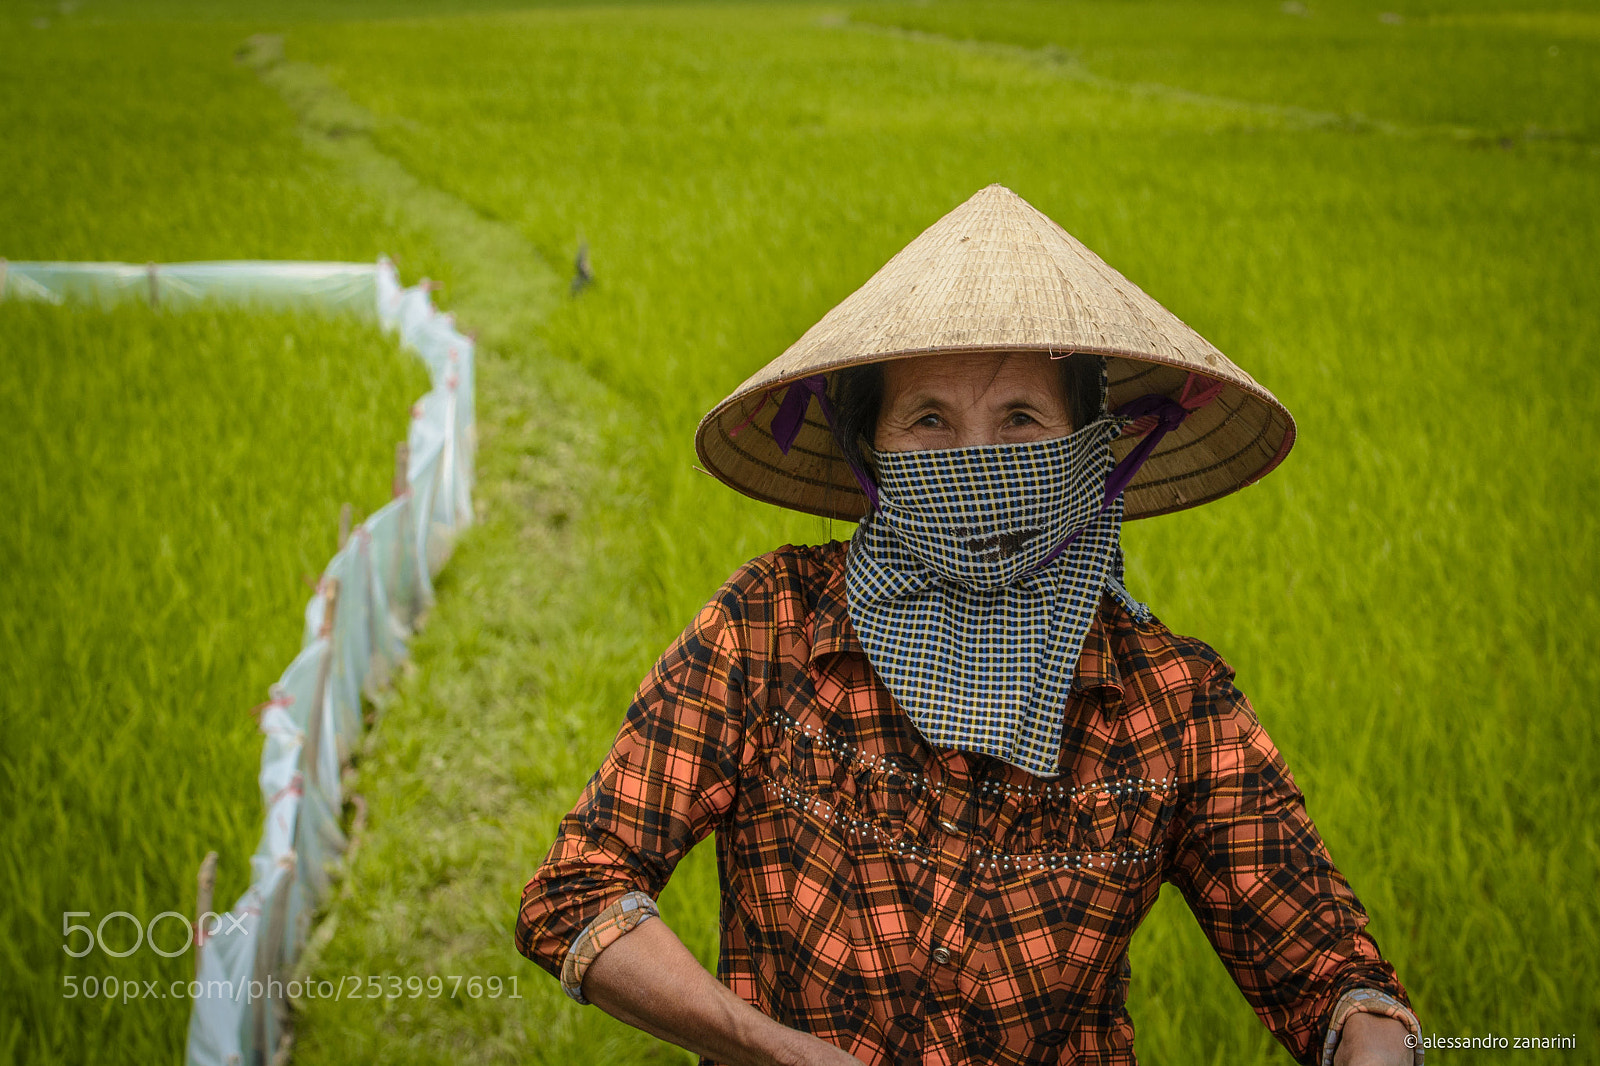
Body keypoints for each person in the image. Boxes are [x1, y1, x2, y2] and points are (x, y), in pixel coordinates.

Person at [515, 185, 1422, 1066]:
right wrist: (773, 1052)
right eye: (929, 421)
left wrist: (1368, 1037)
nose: (977, 463)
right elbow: (578, 894)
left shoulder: (1171, 705)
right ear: (872, 453)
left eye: (1021, 419)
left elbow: (1331, 976)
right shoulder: (769, 628)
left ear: (1086, 451)